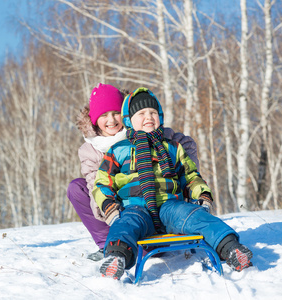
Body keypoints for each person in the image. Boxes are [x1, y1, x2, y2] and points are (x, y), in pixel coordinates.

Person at [93, 87, 253, 279]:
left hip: (170, 206)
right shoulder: (119, 150)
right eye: (141, 113)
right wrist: (110, 206)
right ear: (128, 120)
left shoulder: (172, 147)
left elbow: (190, 175)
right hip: (135, 207)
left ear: (160, 116)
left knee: (195, 216)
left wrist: (201, 194)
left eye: (153, 112)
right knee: (125, 225)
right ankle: (117, 258)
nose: (148, 117)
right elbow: (102, 183)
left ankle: (231, 248)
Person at [67, 83, 201, 261]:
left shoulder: (145, 130)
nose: (112, 120)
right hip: (120, 210)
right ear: (94, 120)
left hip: (155, 204)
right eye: (104, 115)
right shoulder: (90, 150)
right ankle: (109, 242)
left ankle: (146, 239)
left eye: (116, 113)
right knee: (77, 187)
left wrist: (186, 181)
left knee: (148, 247)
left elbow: (187, 144)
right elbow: (95, 187)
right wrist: (114, 214)